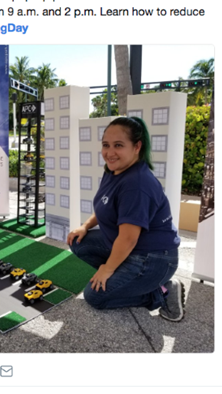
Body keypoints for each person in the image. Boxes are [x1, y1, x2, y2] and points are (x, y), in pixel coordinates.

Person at [66, 117, 185, 322]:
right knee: (79, 243)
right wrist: (85, 226)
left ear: (137, 146)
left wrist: (107, 268)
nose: (110, 153)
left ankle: (162, 291)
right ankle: (125, 279)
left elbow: (129, 239)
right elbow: (107, 207)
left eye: (118, 145)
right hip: (131, 247)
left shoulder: (136, 184)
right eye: (106, 145)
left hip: (154, 258)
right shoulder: (114, 171)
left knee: (95, 297)